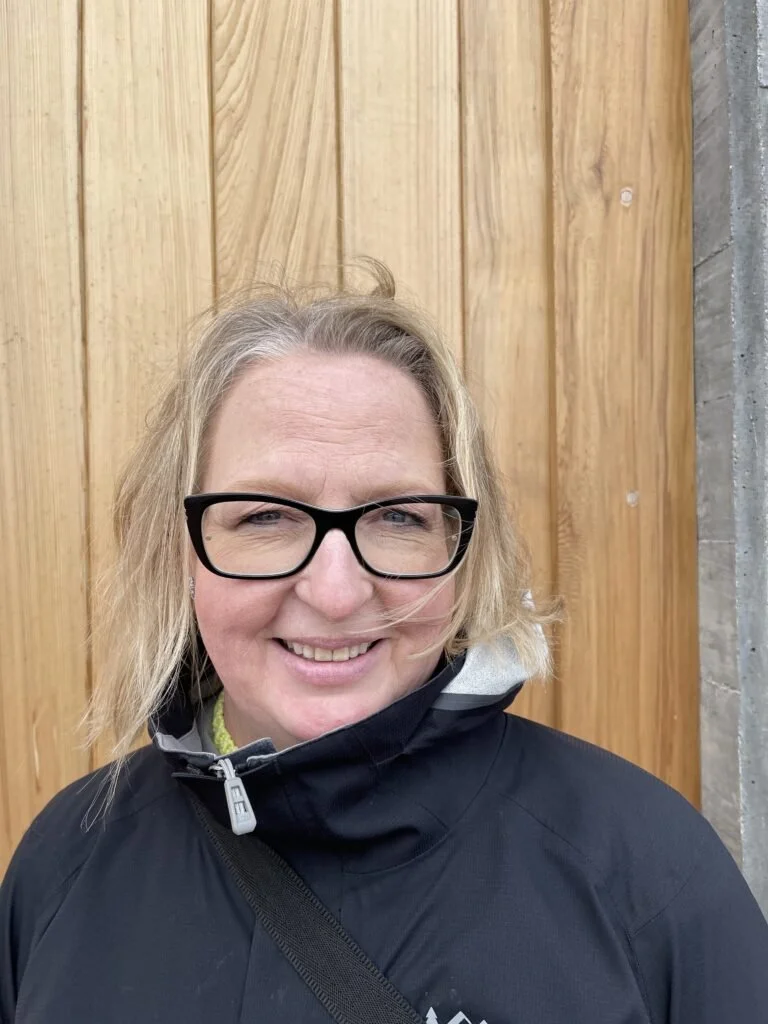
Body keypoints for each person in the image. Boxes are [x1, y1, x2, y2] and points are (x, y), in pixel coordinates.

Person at [1, 264, 767, 1024]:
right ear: (182, 551)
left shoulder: (645, 869)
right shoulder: (67, 862)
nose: (335, 593)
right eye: (264, 516)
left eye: (399, 517)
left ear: (465, 553)